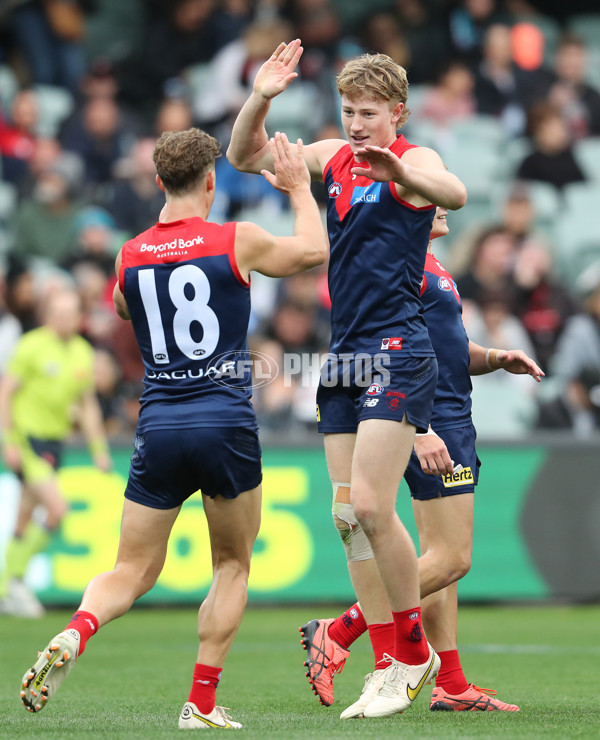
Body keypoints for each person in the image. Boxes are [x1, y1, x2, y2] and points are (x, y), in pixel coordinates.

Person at [19, 127, 327, 729]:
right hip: (224, 420)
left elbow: (121, 306)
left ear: (159, 181)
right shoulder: (237, 239)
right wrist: (296, 189)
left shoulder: (128, 252)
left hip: (158, 421)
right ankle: (201, 704)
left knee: (130, 571)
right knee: (232, 565)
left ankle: (78, 629)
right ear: (211, 181)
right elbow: (312, 252)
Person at [228, 41, 467, 718]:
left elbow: (457, 192)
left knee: (370, 505)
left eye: (368, 112)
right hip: (347, 354)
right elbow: (244, 156)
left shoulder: (413, 160)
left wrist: (403, 170)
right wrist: (262, 96)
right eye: (348, 110)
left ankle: (412, 652)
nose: (356, 123)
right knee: (347, 520)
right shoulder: (333, 154)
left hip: (397, 347)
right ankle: (388, 661)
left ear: (398, 112)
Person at [299, 207, 544, 714]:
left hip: (441, 412)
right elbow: (387, 352)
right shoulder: (399, 268)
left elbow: (450, 347)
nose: (447, 206)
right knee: (453, 557)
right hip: (429, 419)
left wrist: (496, 357)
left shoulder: (431, 265)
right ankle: (340, 629)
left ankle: (451, 682)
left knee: (439, 557)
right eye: (433, 197)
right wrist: (419, 428)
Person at [0, 289, 112, 617]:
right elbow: (6, 392)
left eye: (71, 313)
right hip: (28, 440)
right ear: (48, 315)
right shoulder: (32, 345)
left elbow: (87, 403)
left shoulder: (81, 352)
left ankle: (12, 585)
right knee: (57, 509)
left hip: (54, 442)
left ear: (80, 316)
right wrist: (8, 441)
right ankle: (8, 583)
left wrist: (98, 448)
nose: (64, 320)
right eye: (58, 313)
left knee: (24, 516)